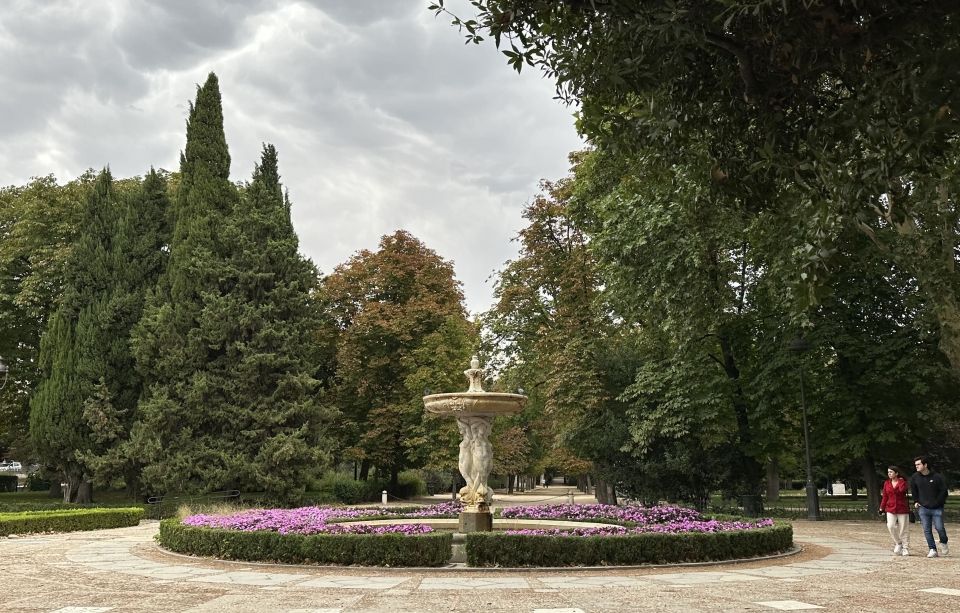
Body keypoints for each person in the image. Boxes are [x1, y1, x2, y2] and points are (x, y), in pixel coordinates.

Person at [910, 456, 949, 558]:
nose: (916, 466)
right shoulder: (915, 477)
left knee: (940, 528)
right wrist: (916, 501)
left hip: (937, 508)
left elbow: (944, 491)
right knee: (927, 530)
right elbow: (914, 491)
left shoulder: (937, 477)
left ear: (925, 465)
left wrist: (938, 502)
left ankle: (944, 542)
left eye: (918, 464)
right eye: (916, 465)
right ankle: (932, 549)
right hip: (923, 508)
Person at [879, 466, 910, 556]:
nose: (889, 474)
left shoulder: (902, 482)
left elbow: (902, 490)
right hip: (890, 507)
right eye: (888, 472)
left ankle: (905, 547)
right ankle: (898, 542)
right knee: (890, 526)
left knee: (904, 528)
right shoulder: (886, 483)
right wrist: (881, 507)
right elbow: (885, 496)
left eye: (891, 472)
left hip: (902, 508)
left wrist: (900, 481)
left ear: (896, 473)